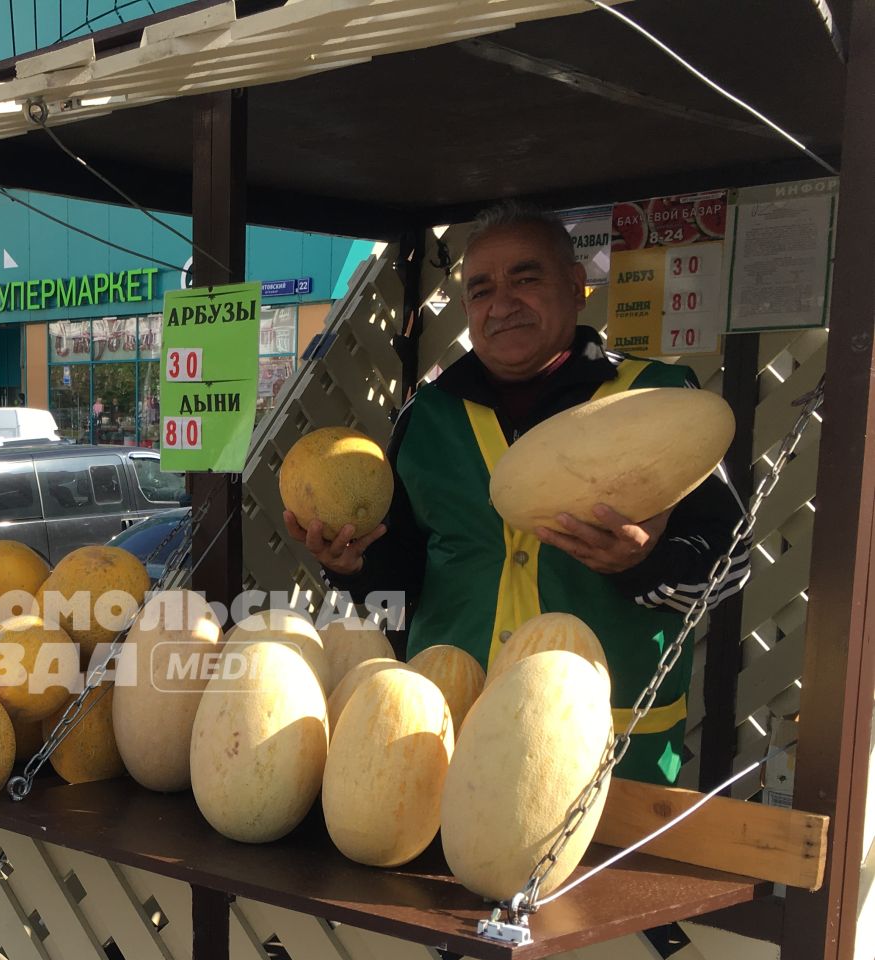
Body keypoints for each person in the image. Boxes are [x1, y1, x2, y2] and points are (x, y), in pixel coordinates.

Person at [288, 201, 749, 784]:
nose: (501, 305)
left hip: (603, 751)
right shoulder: (426, 415)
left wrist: (644, 563)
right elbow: (403, 580)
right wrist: (352, 565)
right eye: (480, 290)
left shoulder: (658, 398)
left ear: (577, 286)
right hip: (441, 738)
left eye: (526, 279)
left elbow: (731, 567)